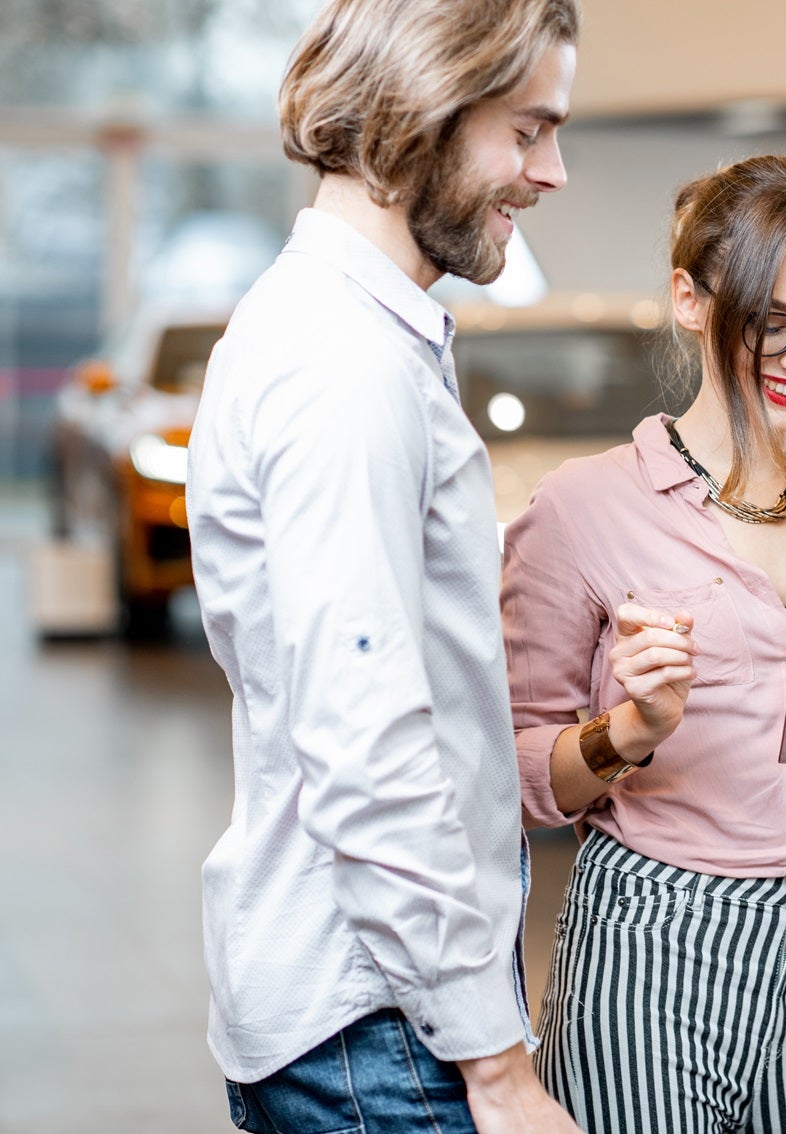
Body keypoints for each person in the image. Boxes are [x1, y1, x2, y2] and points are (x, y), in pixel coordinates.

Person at [187, 2, 584, 1130]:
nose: (551, 172)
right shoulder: (342, 367)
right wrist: (497, 1066)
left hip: (371, 1014)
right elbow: (365, 743)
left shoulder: (349, 332)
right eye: (527, 130)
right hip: (384, 1033)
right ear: (425, 111)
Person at [500, 153, 786, 1133]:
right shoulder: (581, 509)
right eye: (771, 323)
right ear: (692, 304)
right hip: (651, 954)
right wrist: (623, 732)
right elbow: (515, 773)